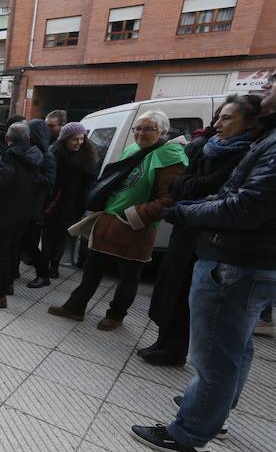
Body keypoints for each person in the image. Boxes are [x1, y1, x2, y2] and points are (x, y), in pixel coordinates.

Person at [131, 79, 276, 452]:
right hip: (245, 259)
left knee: (216, 354)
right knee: (235, 348)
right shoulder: (260, 142)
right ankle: (215, 412)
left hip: (236, 260)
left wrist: (184, 210)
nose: (267, 87)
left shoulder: (268, 146)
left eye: (273, 83)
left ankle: (189, 432)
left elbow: (241, 204)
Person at [139, 96, 259, 367]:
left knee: (185, 294)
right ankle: (163, 340)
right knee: (169, 288)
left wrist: (191, 186)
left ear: (249, 123)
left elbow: (211, 187)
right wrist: (192, 186)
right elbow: (181, 185)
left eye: (226, 118)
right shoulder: (206, 147)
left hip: (207, 236)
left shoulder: (244, 154)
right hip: (185, 228)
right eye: (218, 117)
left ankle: (175, 349)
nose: (217, 124)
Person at [49, 111, 187, 330]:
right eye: (138, 128)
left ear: (162, 131)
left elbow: (169, 198)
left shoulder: (171, 156)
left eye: (147, 128)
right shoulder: (133, 149)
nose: (140, 133)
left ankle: (116, 315)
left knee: (129, 276)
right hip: (109, 220)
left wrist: (134, 215)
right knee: (92, 268)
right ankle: (75, 307)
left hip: (136, 227)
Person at [0, 122, 41, 309]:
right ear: (28, 139)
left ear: (7, 139)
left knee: (1, 254)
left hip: (5, 212)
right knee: (11, 251)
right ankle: (4, 284)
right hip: (23, 211)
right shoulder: (34, 155)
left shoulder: (9, 156)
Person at [41, 122, 98, 279]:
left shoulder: (88, 157)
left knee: (62, 236)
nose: (78, 143)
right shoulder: (54, 153)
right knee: (48, 235)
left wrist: (84, 203)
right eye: (74, 139)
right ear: (65, 139)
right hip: (53, 202)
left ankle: (54, 264)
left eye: (81, 139)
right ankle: (44, 263)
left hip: (73, 204)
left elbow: (90, 182)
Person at [21, 119, 57, 288]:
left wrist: (31, 173)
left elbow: (50, 183)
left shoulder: (47, 155)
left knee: (31, 244)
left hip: (35, 208)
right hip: (24, 203)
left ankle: (43, 274)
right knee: (21, 241)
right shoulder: (29, 151)